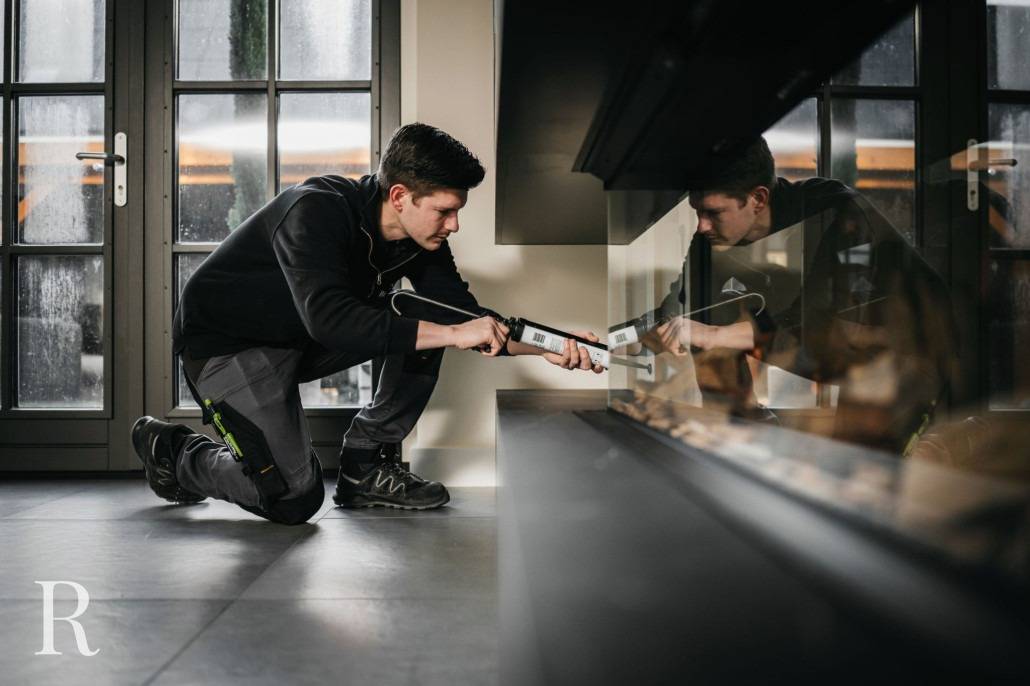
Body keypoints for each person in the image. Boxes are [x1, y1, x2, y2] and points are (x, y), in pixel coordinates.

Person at [131, 123, 602, 524]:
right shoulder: (315, 210)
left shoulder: (422, 241)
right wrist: (457, 333)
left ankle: (364, 466)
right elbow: (332, 322)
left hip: (299, 340)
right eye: (445, 210)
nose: (454, 224)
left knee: (432, 315)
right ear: (400, 196)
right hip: (227, 346)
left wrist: (554, 345)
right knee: (294, 499)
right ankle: (175, 453)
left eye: (458, 211)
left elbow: (469, 320)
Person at [626, 135, 958, 453]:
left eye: (713, 212)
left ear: (757, 199)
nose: (702, 225)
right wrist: (608, 341)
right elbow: (681, 312)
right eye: (698, 211)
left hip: (913, 359)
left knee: (866, 474)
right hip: (834, 367)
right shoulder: (710, 240)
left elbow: (827, 326)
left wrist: (717, 334)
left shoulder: (835, 212)